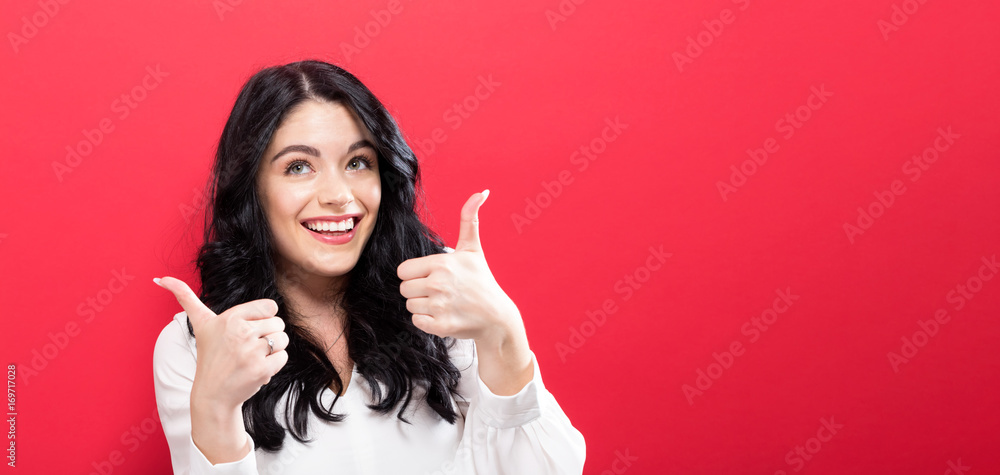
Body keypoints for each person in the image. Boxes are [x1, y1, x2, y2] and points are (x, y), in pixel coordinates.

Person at [151, 60, 586, 474]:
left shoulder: (442, 298)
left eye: (358, 162)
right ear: (253, 189)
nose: (339, 195)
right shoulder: (193, 348)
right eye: (299, 167)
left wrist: (503, 331)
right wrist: (213, 406)